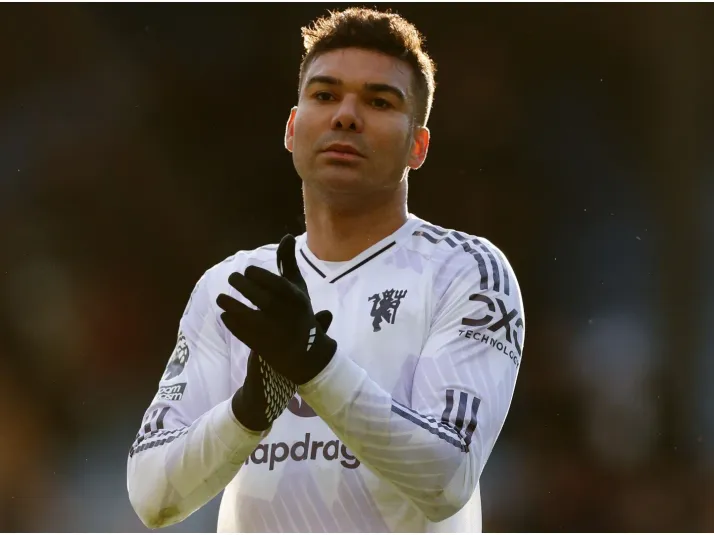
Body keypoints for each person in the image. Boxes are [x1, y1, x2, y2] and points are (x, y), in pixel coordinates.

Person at [127, 7, 525, 533]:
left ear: (418, 146)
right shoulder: (231, 286)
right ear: (293, 129)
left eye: (379, 101)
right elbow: (152, 497)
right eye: (324, 95)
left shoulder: (464, 272)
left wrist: (315, 364)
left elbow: (447, 479)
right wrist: (248, 411)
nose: (346, 116)